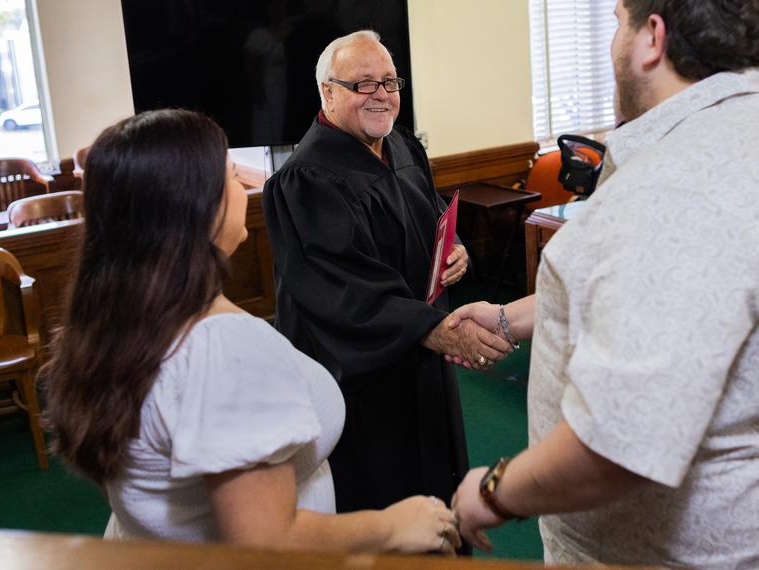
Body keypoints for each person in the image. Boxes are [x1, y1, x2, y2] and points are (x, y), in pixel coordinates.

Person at [41, 109, 462, 554]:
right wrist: (393, 525)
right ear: (199, 207)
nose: (242, 185)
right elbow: (266, 541)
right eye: (228, 173)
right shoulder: (223, 350)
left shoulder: (117, 323)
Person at [449, 1, 759, 566]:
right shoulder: (728, 137)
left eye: (619, 22)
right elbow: (653, 298)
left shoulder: (676, 187)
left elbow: (620, 442)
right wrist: (506, 319)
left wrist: (493, 492)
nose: (611, 40)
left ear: (652, 38)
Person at [262, 30, 511, 517]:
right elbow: (340, 289)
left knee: (437, 473)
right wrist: (433, 329)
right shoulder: (306, 181)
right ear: (327, 93)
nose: (381, 94)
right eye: (363, 84)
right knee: (384, 493)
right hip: (362, 373)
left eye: (389, 82)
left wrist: (455, 247)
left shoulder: (399, 145)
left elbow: (431, 215)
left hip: (421, 348)